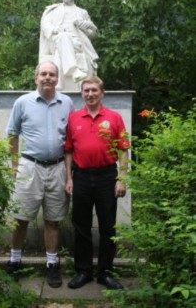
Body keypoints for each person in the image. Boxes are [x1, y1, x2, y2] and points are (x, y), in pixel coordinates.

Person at [5, 61, 74, 287]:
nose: (47, 77)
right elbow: (12, 134)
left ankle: (52, 265)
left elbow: (71, 140)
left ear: (57, 79)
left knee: (53, 220)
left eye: (51, 74)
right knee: (21, 219)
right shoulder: (23, 102)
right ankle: (15, 261)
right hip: (29, 167)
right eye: (43, 74)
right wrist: (14, 166)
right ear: (36, 78)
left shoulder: (67, 103)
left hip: (57, 168)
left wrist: (70, 173)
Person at [64, 76, 130, 290]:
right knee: (81, 226)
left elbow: (123, 149)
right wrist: (69, 178)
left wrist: (122, 178)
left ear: (102, 93)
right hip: (81, 176)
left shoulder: (114, 117)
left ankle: (105, 273)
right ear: (82, 94)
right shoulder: (74, 118)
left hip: (106, 177)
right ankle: (83, 271)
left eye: (94, 90)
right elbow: (68, 151)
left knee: (107, 226)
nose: (90, 94)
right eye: (86, 91)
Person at [39, 0, 99, 90]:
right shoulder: (53, 10)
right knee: (64, 37)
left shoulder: (82, 12)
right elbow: (45, 25)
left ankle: (58, 84)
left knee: (63, 46)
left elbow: (93, 34)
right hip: (55, 41)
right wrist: (56, 29)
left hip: (77, 43)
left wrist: (87, 25)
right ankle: (74, 70)